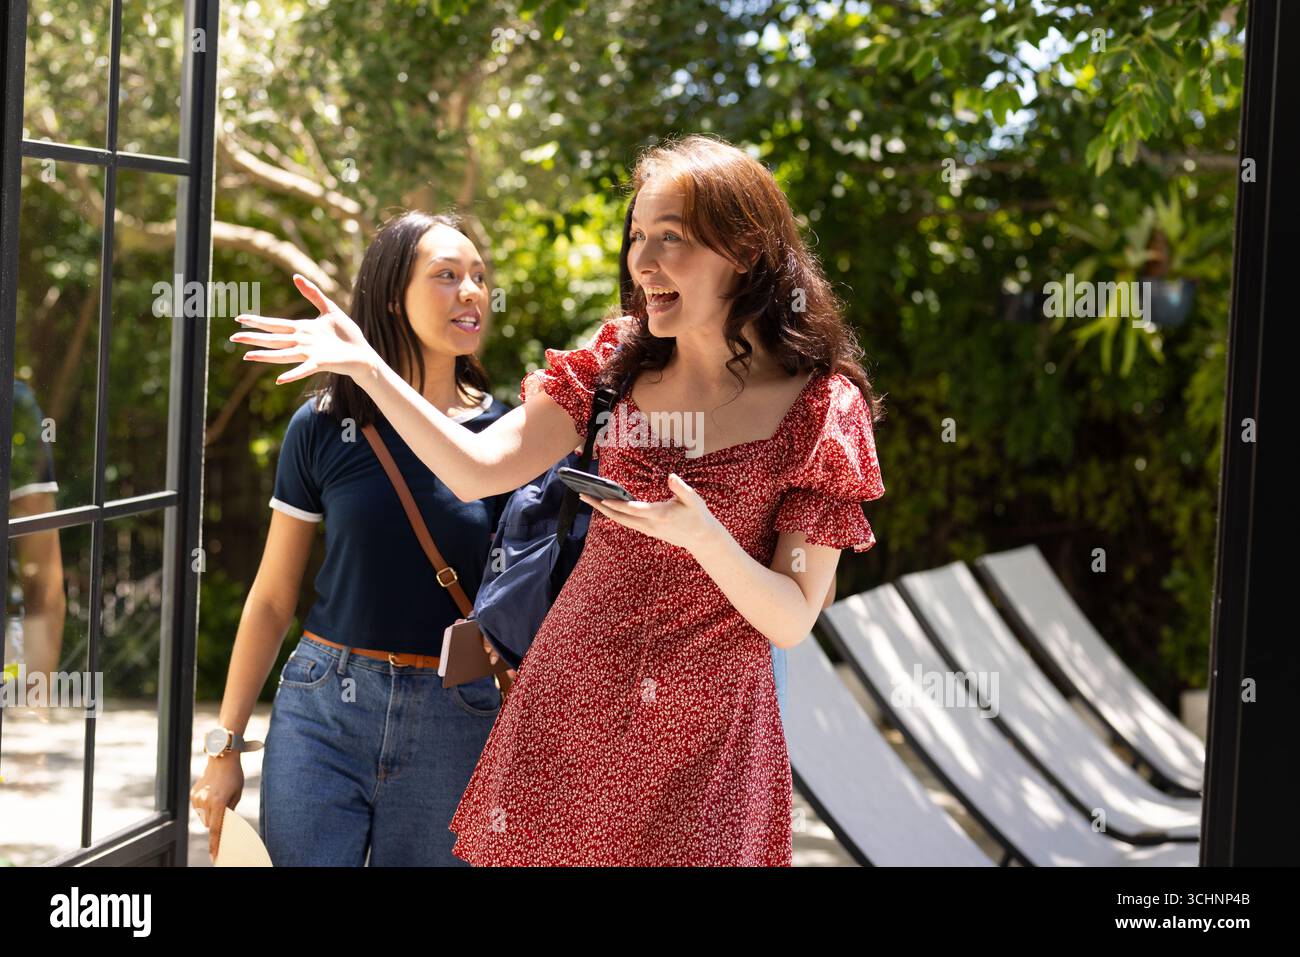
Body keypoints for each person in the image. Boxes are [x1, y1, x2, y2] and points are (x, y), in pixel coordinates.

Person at [231, 134, 887, 866]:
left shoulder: (822, 408)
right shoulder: (615, 363)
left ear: (745, 250)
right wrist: (369, 366)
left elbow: (793, 615)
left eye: (671, 238)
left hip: (710, 749)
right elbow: (478, 468)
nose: (644, 261)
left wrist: (704, 537)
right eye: (638, 236)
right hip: (568, 713)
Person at [192, 210, 516, 866]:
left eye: (479, 276)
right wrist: (224, 749)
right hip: (324, 706)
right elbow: (272, 597)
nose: (472, 290)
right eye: (447, 275)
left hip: (458, 716)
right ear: (393, 297)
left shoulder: (510, 435)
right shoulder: (323, 426)